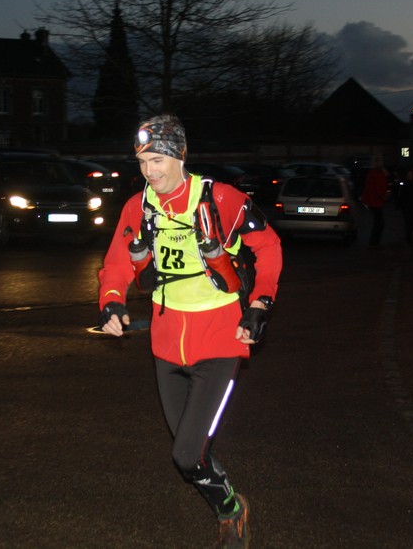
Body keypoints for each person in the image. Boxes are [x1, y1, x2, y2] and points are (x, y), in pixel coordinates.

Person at [97, 114, 282, 548]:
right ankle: (227, 501)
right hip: (166, 346)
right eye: (143, 162)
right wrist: (111, 300)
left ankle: (232, 512)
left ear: (180, 156)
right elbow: (117, 261)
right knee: (191, 451)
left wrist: (261, 303)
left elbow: (269, 246)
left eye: (158, 160)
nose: (150, 171)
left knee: (185, 454)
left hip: (219, 341)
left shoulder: (222, 199)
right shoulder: (138, 206)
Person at [359, 166, 391, 249]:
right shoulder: (380, 177)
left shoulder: (373, 175)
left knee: (378, 222)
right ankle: (374, 242)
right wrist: (385, 196)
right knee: (379, 223)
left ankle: (373, 242)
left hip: (371, 201)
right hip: (375, 202)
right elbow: (380, 190)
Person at [395, 169, 413, 248]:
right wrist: (398, 204)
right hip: (406, 206)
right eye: (408, 174)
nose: (409, 176)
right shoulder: (405, 183)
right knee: (408, 222)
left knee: (411, 222)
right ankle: (408, 237)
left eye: (411, 174)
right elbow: (401, 195)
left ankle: (409, 236)